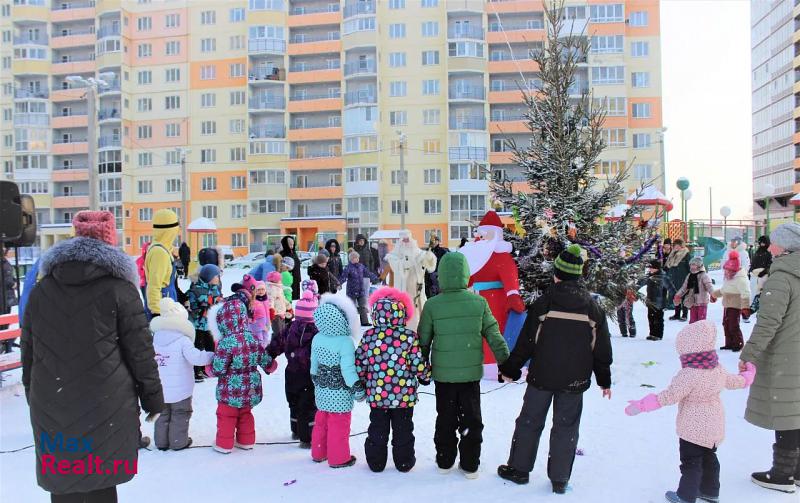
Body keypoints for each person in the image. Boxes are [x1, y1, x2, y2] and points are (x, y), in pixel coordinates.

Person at [21, 210, 164, 502]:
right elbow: (140, 352)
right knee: (101, 479)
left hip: (52, 399)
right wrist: (152, 398)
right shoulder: (121, 290)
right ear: (110, 242)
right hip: (106, 401)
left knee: (63, 479)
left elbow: (29, 353)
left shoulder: (41, 290)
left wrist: (33, 394)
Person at [496, 244, 612, 494]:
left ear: (556, 274)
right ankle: (560, 479)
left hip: (542, 376)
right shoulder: (592, 308)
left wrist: (511, 368)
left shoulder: (545, 303)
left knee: (529, 421)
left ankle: (519, 469)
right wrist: (604, 379)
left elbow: (526, 341)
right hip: (575, 381)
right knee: (566, 427)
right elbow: (601, 347)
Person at [625, 320, 756, 503]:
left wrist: (641, 405)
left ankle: (685, 496)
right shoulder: (716, 369)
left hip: (692, 428)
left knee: (691, 462)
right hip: (714, 425)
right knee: (710, 458)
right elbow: (736, 382)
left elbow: (668, 396)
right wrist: (748, 375)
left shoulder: (688, 374)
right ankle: (710, 491)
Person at [418, 252, 510, 479]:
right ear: (466, 275)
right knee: (471, 419)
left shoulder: (432, 305)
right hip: (469, 376)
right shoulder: (478, 302)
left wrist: (421, 367)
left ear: (442, 276)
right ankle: (470, 464)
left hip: (443, 376)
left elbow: (423, 340)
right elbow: (494, 334)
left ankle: (444, 460)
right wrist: (505, 363)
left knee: (445, 418)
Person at [739, 222, 800, 493]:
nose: (770, 246)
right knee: (797, 411)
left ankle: (782, 475)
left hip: (785, 356)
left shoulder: (782, 276)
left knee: (786, 412)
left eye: (774, 242)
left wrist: (748, 353)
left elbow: (768, 323)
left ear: (784, 246)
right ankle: (797, 472)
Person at [356, 287, 432, 473]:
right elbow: (416, 363)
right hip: (403, 397)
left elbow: (360, 363)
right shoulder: (408, 337)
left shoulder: (369, 337)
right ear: (403, 313)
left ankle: (376, 462)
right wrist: (425, 376)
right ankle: (404, 461)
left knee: (377, 429)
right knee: (403, 430)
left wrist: (362, 380)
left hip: (378, 395)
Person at [209, 290, 277, 454]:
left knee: (226, 414)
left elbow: (219, 368)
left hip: (230, 389)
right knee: (246, 413)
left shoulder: (226, 342)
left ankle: (224, 444)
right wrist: (270, 365)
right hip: (250, 386)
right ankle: (246, 440)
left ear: (223, 322)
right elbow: (263, 357)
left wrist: (210, 368)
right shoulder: (252, 338)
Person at [457, 210, 526, 364]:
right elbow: (469, 277)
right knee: (479, 331)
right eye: (479, 234)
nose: (480, 237)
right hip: (476, 298)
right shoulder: (477, 254)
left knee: (493, 329)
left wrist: (512, 294)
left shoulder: (501, 255)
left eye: (484, 234)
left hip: (495, 300)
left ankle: (492, 362)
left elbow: (509, 275)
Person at [310, 293, 365, 468]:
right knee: (338, 425)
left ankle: (319, 452)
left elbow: (314, 363)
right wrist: (357, 387)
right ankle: (339, 458)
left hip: (321, 388)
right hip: (340, 392)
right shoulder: (345, 341)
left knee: (321, 422)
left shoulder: (317, 338)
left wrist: (315, 378)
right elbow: (348, 369)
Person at [152, 298, 214, 451]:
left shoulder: (154, 339)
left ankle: (161, 443)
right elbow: (197, 358)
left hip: (159, 388)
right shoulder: (183, 341)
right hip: (181, 390)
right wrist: (212, 355)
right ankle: (178, 442)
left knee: (162, 414)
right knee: (180, 413)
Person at [268, 289, 319, 448]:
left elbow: (277, 343)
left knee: (294, 402)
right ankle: (307, 437)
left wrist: (269, 355)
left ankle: (296, 429)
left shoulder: (290, 328)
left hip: (292, 373)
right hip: (309, 374)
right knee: (308, 405)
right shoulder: (316, 331)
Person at [385, 231, 437, 329]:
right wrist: (406, 262)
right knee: (405, 309)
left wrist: (429, 257)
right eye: (403, 240)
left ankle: (421, 329)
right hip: (403, 288)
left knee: (418, 309)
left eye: (407, 239)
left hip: (417, 287)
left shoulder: (418, 253)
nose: (405, 241)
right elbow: (397, 266)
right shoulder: (393, 256)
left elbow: (428, 264)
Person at [187, 264, 223, 382]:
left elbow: (219, 302)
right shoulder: (196, 289)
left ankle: (209, 369)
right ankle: (197, 371)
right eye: (216, 276)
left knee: (211, 347)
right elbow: (192, 306)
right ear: (209, 277)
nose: (218, 278)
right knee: (198, 347)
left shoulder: (215, 289)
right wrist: (202, 309)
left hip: (210, 325)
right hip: (198, 325)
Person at [144, 209, 181, 319]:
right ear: (170, 230)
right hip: (162, 309)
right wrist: (156, 313)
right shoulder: (159, 253)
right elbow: (154, 286)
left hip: (168, 304)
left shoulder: (164, 250)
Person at [712, 250, 751, 352]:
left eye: (729, 271)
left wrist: (745, 307)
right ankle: (729, 343)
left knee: (733, 325)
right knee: (726, 324)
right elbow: (724, 290)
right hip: (727, 304)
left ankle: (738, 343)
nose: (727, 273)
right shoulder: (728, 279)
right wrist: (714, 295)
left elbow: (746, 293)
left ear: (734, 270)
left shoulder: (741, 279)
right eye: (726, 270)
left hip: (735, 305)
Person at [340, 250, 378, 326]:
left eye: (357, 258)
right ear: (351, 259)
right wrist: (339, 283)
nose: (356, 259)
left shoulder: (361, 266)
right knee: (351, 307)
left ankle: (364, 322)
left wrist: (375, 277)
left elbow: (368, 273)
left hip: (361, 291)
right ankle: (351, 322)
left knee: (362, 307)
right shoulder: (348, 268)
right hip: (351, 291)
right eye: (354, 258)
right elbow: (343, 277)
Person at [674, 257, 714, 324]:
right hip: (692, 302)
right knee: (693, 322)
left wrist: (713, 295)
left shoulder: (704, 275)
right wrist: (678, 295)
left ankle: (702, 334)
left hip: (702, 301)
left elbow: (709, 287)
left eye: (694, 265)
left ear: (699, 265)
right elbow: (684, 288)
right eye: (691, 265)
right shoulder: (690, 275)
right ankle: (693, 334)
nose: (692, 266)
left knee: (701, 322)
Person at [241, 275, 272, 349]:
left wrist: (268, 322)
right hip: (257, 323)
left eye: (262, 289)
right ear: (255, 291)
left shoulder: (266, 300)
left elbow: (267, 311)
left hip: (265, 321)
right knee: (259, 337)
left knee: (266, 335)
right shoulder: (254, 301)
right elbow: (251, 312)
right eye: (258, 290)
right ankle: (259, 349)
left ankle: (265, 348)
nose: (261, 292)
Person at [665, 239, 691, 321]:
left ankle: (684, 314)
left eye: (678, 245)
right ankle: (677, 314)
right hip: (674, 278)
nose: (676, 247)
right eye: (675, 245)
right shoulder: (672, 254)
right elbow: (668, 266)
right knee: (676, 296)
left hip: (683, 279)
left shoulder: (686, 254)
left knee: (684, 297)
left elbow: (690, 267)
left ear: (681, 246)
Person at [644, 259, 668, 341]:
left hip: (659, 301)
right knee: (650, 317)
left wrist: (676, 297)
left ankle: (658, 335)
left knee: (658, 318)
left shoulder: (663, 277)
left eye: (652, 268)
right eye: (649, 268)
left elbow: (671, 288)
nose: (650, 269)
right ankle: (652, 333)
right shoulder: (649, 276)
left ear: (657, 268)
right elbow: (640, 282)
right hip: (650, 300)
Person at [748, 235, 772, 314]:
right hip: (754, 275)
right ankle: (753, 308)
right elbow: (753, 263)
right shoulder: (757, 252)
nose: (761, 244)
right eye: (760, 243)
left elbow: (770, 264)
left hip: (764, 276)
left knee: (761, 292)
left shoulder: (769, 253)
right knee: (754, 292)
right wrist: (750, 271)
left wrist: (765, 272)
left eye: (763, 243)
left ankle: (760, 309)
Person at [1, 248, 18, 353]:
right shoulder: (3, 262)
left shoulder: (4, 261)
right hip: (3, 297)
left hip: (7, 297)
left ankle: (5, 344)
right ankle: (4, 344)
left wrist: (14, 281)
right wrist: (12, 284)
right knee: (3, 321)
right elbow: (6, 278)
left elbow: (9, 276)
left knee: (5, 322)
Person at [266, 271, 291, 337]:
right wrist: (271, 310)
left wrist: (288, 306)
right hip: (276, 314)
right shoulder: (271, 289)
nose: (281, 281)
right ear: (275, 280)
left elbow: (282, 298)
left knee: (282, 330)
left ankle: (281, 343)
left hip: (281, 312)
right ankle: (276, 344)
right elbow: (270, 300)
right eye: (280, 279)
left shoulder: (278, 288)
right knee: (278, 332)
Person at [280, 235, 301, 301]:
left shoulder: (294, 253)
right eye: (290, 244)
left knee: (296, 298)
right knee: (289, 297)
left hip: (296, 279)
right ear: (285, 244)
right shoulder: (283, 254)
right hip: (288, 280)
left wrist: (299, 278)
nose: (292, 246)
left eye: (292, 244)